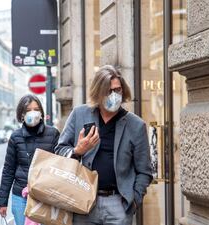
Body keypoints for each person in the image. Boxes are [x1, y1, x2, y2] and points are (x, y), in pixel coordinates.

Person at [55, 65, 153, 225]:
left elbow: (145, 171)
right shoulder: (79, 114)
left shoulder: (135, 125)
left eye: (118, 90)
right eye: (109, 91)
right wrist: (78, 150)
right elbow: (59, 150)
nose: (115, 95)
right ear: (98, 93)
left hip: (118, 204)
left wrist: (134, 199)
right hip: (83, 199)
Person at [0, 95, 60, 225]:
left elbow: (60, 165)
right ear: (22, 114)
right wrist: (2, 202)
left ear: (41, 113)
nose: (33, 113)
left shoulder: (53, 134)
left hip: (46, 196)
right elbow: (8, 170)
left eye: (36, 109)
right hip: (20, 196)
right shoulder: (15, 137)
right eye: (28, 110)